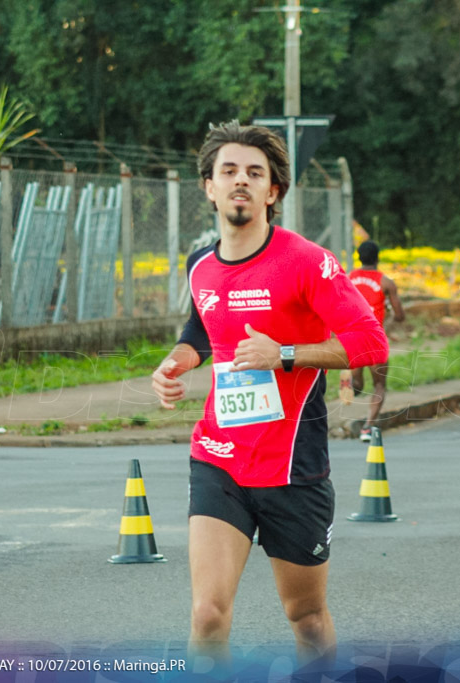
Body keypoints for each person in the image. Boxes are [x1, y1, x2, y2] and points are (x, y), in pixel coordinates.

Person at [150, 121, 388, 665]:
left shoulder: (306, 261)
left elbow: (371, 343)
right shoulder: (201, 266)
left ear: (272, 191)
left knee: (305, 619)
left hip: (293, 469)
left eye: (254, 173)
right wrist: (177, 362)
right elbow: (201, 329)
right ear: (208, 186)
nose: (240, 181)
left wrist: (283, 353)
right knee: (207, 614)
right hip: (220, 457)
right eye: (228, 171)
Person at [345, 239, 406, 441]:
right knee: (379, 383)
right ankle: (367, 427)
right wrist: (387, 312)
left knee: (357, 384)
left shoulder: (347, 278)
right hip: (374, 339)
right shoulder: (386, 283)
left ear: (359, 258)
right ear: (377, 258)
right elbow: (400, 316)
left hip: (352, 336)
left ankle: (350, 383)